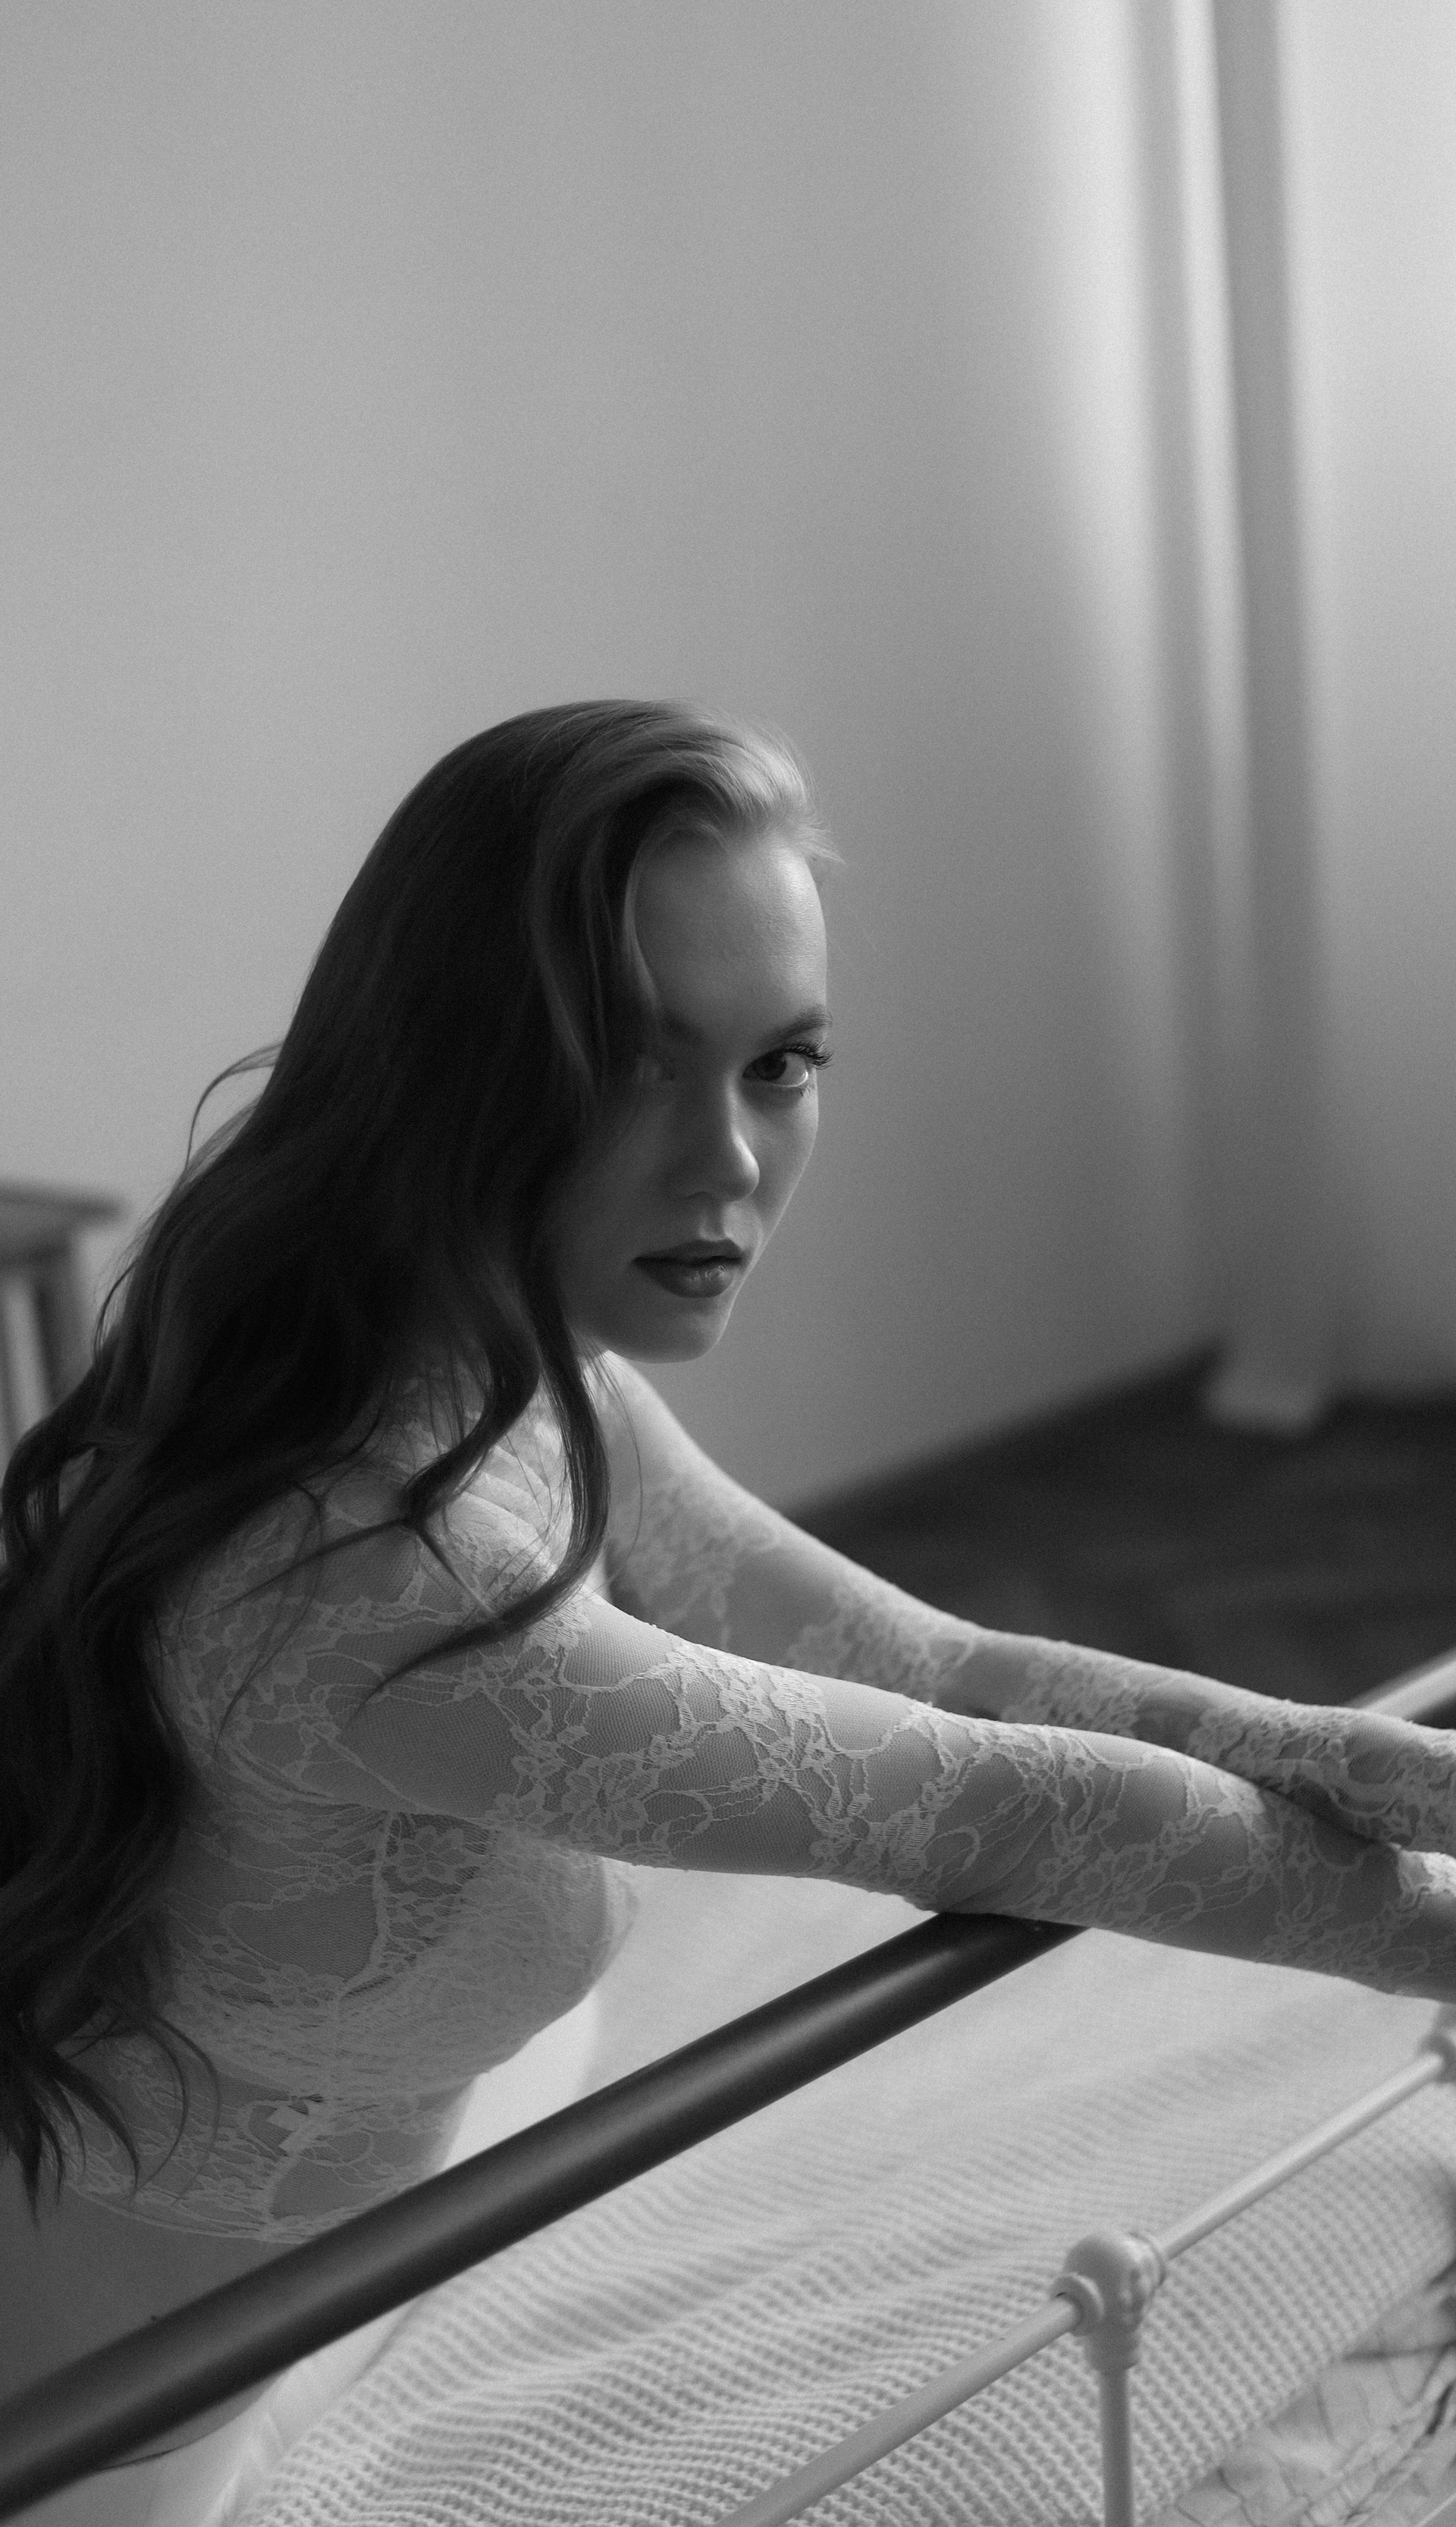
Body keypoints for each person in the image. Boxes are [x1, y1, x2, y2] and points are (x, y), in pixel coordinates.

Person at [3, 699, 1454, 2525]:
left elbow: (939, 1669)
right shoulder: (378, 1571)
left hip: (320, 2258)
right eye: (633, 1064)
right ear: (448, 1069)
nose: (729, 1162)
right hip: (105, 2448)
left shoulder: (508, 1371)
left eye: (784, 1063)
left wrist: (1369, 1761)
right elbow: (1010, 1806)